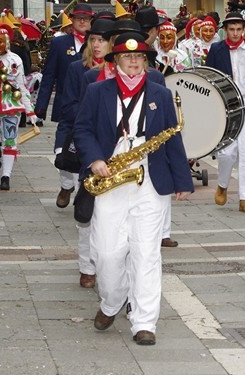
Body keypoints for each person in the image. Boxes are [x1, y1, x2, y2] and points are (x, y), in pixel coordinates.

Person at [74, 33, 192, 346]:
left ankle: (144, 321)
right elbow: (82, 129)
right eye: (127, 57)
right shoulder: (98, 91)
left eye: (139, 56)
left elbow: (171, 137)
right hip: (111, 176)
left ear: (146, 61)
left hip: (151, 181)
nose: (134, 61)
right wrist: (95, 159)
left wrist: (182, 180)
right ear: (114, 61)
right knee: (108, 254)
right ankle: (111, 302)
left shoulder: (160, 93)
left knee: (147, 253)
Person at [57, 17, 116, 289]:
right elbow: (67, 110)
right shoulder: (79, 71)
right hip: (88, 148)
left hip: (120, 153)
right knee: (86, 211)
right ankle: (87, 267)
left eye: (101, 40)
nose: (96, 45)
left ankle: (110, 266)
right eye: (92, 39)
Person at [207, 11, 245, 213]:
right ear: (225, 31)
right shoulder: (216, 50)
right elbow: (209, 77)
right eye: (231, 30)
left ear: (244, 30)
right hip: (226, 106)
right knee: (227, 152)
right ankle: (223, 184)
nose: (235, 33)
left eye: (238, 29)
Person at [35, 3, 95, 208]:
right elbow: (49, 74)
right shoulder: (60, 43)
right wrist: (40, 105)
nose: (82, 21)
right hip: (66, 106)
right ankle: (66, 185)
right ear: (72, 19)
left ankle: (80, 195)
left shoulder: (97, 43)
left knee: (82, 152)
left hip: (91, 107)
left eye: (86, 19)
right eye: (78, 18)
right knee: (61, 153)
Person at [0, 24, 38, 191]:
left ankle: (6, 176)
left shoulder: (15, 60)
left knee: (10, 141)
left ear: (6, 42)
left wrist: (30, 110)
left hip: (11, 106)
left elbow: (22, 86)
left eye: (0, 42)